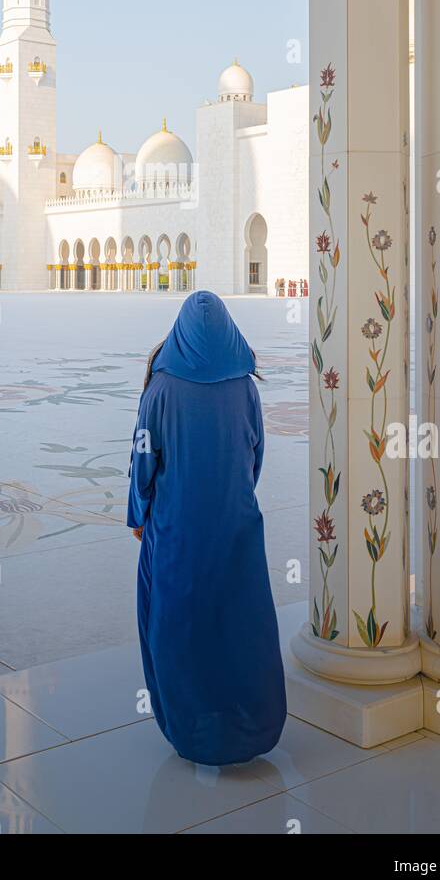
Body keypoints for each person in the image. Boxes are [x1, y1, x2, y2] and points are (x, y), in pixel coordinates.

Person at [127, 290, 286, 766]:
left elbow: (143, 461)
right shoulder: (245, 387)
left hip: (176, 531)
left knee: (178, 626)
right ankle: (251, 724)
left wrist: (139, 515)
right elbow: (254, 454)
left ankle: (189, 729)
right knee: (240, 623)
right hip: (236, 527)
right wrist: (234, 499)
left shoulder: (160, 388)